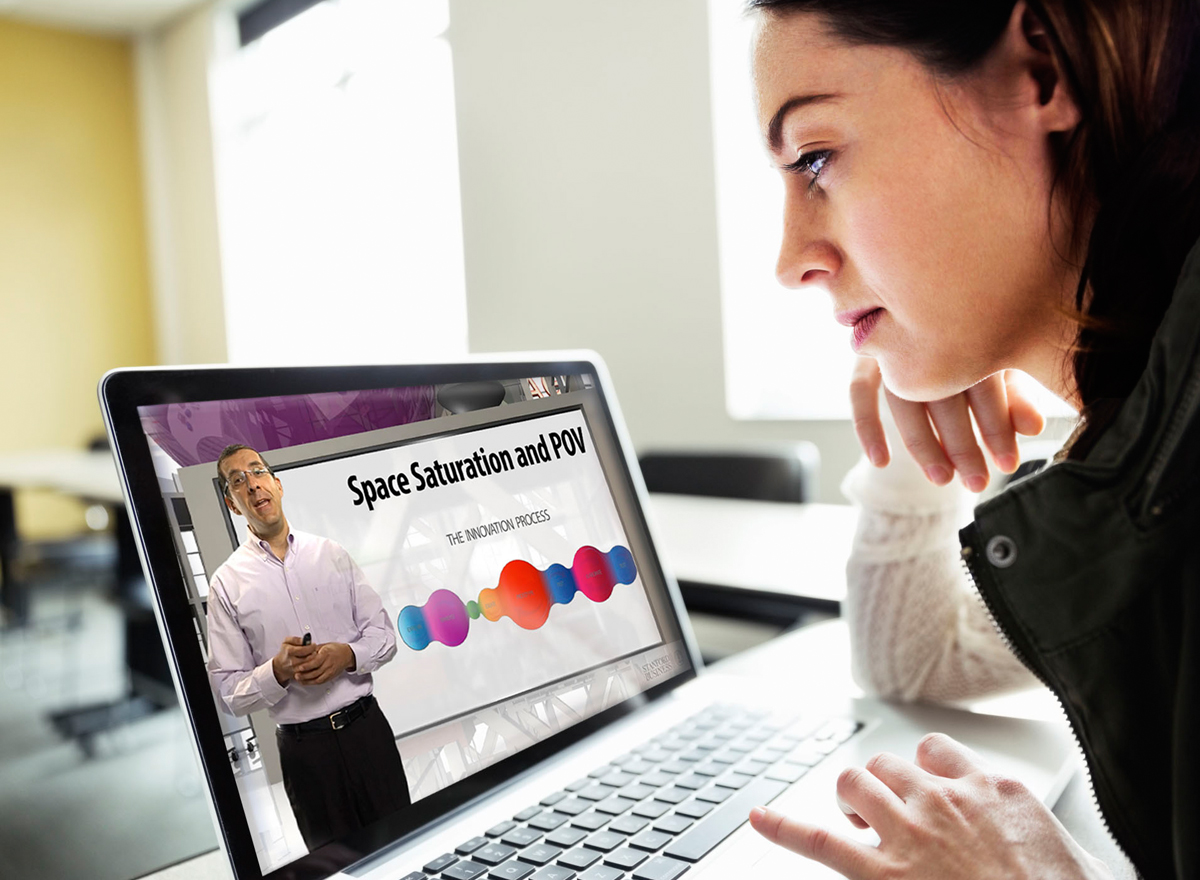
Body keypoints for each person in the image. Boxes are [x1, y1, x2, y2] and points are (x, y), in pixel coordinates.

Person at [741, 1, 1200, 878]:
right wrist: (921, 442)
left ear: (1041, 74)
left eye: (818, 157)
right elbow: (921, 665)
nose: (790, 257)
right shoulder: (1147, 413)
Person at [205, 444, 411, 851]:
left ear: (277, 486)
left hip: (367, 734)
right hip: (306, 755)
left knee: (406, 845)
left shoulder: (330, 553)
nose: (252, 485)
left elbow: (384, 637)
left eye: (257, 472)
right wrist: (277, 671)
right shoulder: (226, 585)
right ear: (232, 503)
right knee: (338, 867)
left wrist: (346, 656)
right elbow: (229, 693)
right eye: (238, 480)